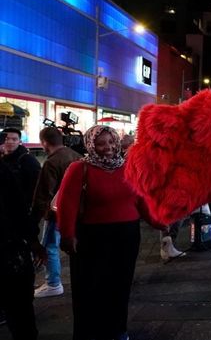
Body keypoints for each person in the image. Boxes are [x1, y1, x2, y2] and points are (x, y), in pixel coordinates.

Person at [57, 125, 167, 340]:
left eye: (111, 142)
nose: (107, 147)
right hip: (93, 237)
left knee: (120, 285)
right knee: (91, 288)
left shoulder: (127, 167)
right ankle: (90, 332)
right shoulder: (79, 168)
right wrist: (67, 235)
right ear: (91, 145)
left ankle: (118, 329)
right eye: (100, 143)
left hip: (127, 235)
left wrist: (157, 222)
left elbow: (140, 199)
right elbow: (66, 204)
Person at [30, 126, 82, 298]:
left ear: (44, 143)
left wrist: (34, 220)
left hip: (55, 213)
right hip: (76, 211)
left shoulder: (51, 163)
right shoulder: (75, 156)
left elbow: (43, 194)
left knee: (50, 246)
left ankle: (53, 282)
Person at [0, 159, 44, 339]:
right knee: (20, 314)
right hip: (9, 251)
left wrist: (32, 240)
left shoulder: (3, 169)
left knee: (20, 313)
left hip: (9, 250)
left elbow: (16, 206)